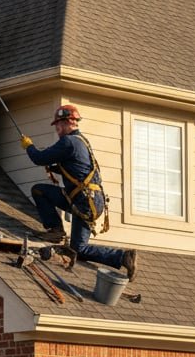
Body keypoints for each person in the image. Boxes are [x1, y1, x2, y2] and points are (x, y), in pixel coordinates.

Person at [21, 104, 138, 281]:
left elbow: (39, 158)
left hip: (84, 201)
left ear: (68, 122)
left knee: (39, 191)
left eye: (58, 125)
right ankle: (120, 257)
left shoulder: (68, 142)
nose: (57, 129)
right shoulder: (81, 141)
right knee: (77, 248)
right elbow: (76, 169)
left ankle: (56, 230)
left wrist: (29, 147)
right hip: (88, 199)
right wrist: (56, 168)